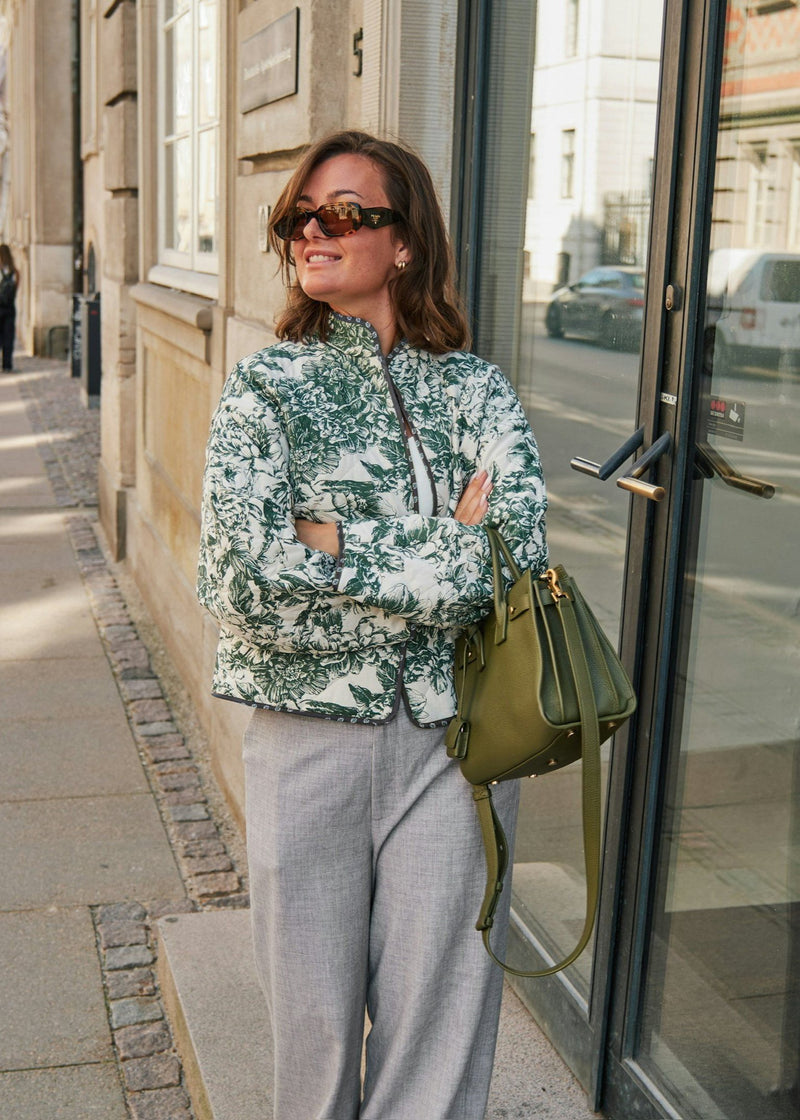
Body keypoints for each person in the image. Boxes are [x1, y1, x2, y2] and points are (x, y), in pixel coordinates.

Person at [197, 130, 547, 1120]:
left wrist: (326, 539)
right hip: (306, 743)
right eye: (297, 215)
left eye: (342, 212)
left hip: (456, 741)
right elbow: (242, 578)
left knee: (441, 1026)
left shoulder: (474, 389)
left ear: (402, 243)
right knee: (309, 1041)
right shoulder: (266, 390)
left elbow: (510, 557)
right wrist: (438, 547)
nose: (313, 229)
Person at [0, 244, 19, 372]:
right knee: (8, 336)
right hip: (10, 308)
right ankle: (7, 364)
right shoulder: (15, 272)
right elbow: (16, 289)